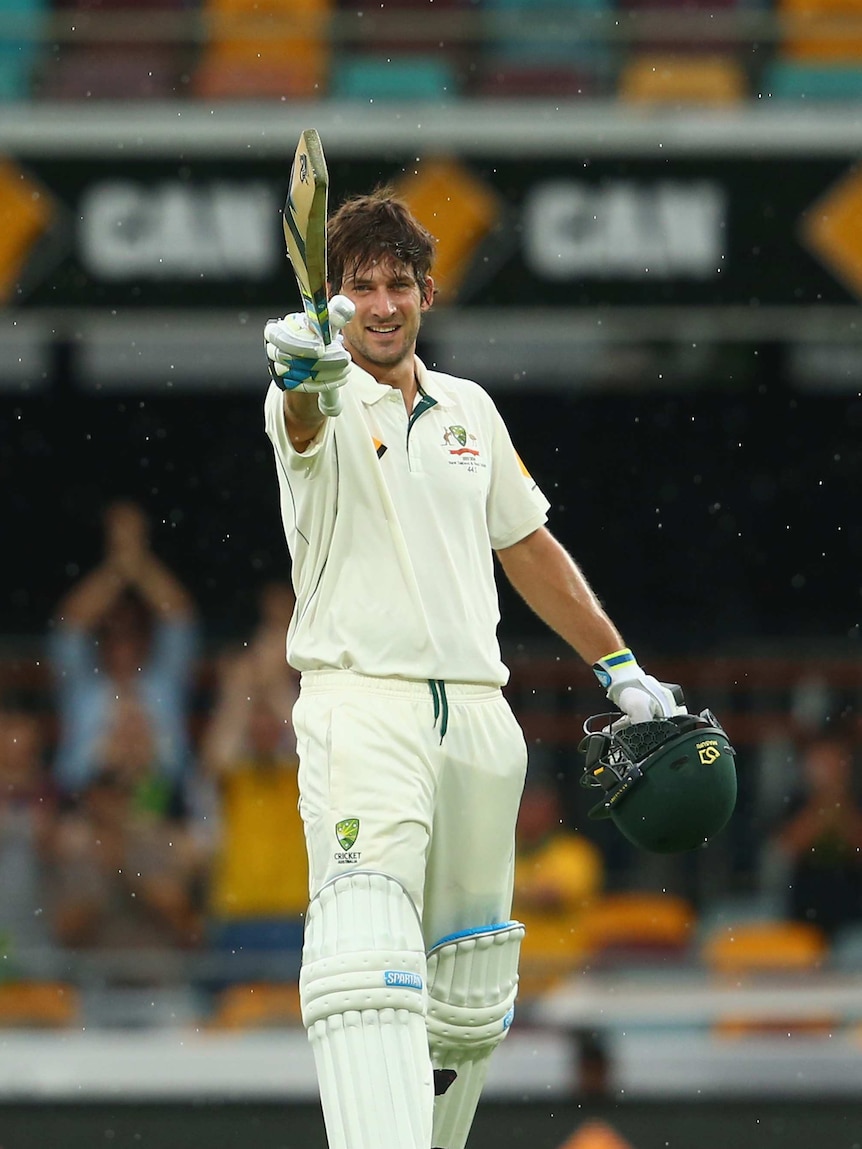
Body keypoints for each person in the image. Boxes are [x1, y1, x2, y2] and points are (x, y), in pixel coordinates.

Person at [261, 187, 684, 1149]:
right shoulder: (315, 387)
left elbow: (526, 543)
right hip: (364, 702)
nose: (380, 304)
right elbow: (301, 430)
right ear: (334, 300)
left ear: (427, 294)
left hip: (480, 717)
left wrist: (619, 667)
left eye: (397, 284)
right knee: (367, 959)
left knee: (469, 989)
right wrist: (299, 378)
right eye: (360, 287)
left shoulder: (470, 410)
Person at [48, 499, 199, 798]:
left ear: (147, 639)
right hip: (91, 807)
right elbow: (71, 624)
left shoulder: (163, 682)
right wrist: (120, 564)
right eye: (113, 635)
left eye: (133, 634)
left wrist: (135, 558)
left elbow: (179, 616)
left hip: (160, 807)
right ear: (101, 641)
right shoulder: (84, 687)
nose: (123, 646)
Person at [50, 698, 204, 975]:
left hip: (159, 977)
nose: (111, 803)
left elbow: (186, 922)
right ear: (93, 798)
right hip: (97, 981)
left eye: (120, 792)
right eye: (105, 790)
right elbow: (65, 930)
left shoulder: (163, 834)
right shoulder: (78, 843)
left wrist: (125, 867)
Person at [200, 647, 307, 971]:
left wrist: (272, 678)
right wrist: (240, 691)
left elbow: (307, 736)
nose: (262, 729)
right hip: (237, 915)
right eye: (255, 724)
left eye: (269, 723)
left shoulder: (299, 776)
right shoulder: (237, 779)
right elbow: (217, 753)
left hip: (293, 914)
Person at [769, 729, 862, 938]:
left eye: (835, 760)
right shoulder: (795, 802)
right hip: (803, 915)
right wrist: (821, 808)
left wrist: (840, 806)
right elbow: (785, 849)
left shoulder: (855, 801)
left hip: (853, 917)